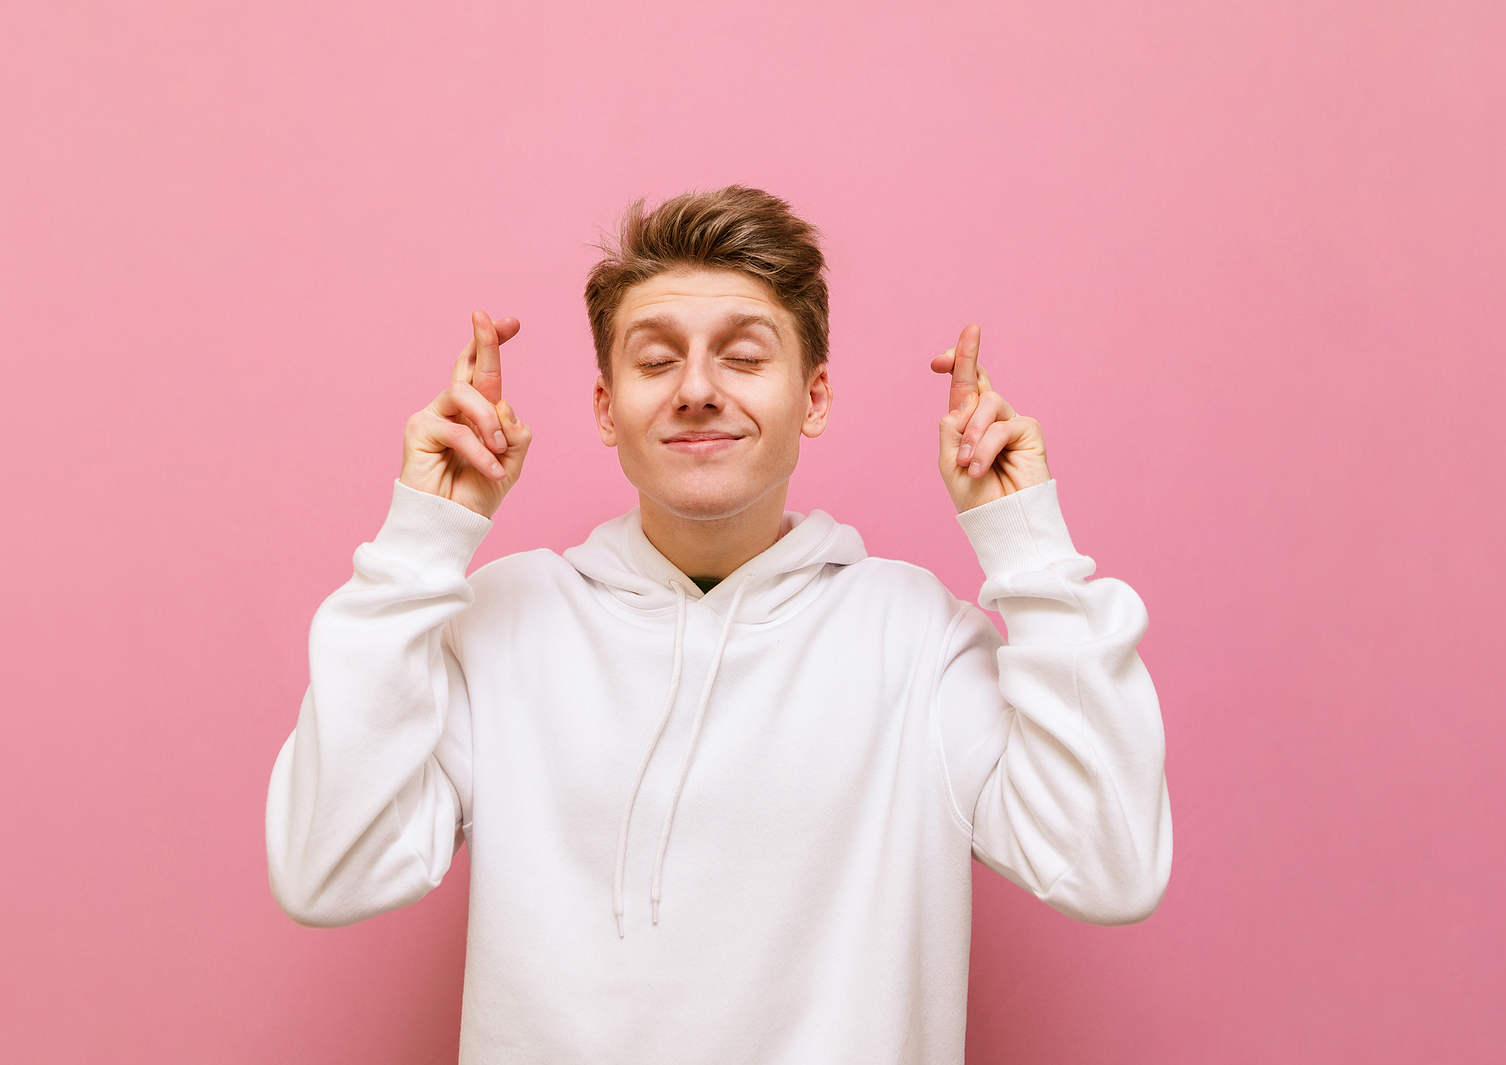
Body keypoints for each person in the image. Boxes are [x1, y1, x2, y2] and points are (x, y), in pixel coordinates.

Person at [265, 186, 1172, 1063]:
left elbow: (1109, 865)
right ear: (604, 408)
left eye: (742, 357)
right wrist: (423, 541)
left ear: (813, 398)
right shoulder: (501, 623)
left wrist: (1027, 546)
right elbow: (325, 867)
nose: (696, 389)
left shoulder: (919, 640)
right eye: (656, 361)